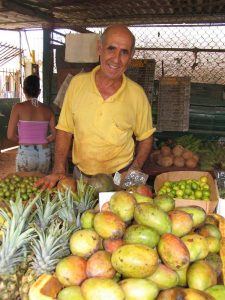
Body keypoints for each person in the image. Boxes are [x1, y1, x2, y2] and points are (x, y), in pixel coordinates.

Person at [36, 24, 155, 189]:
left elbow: (146, 137)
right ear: (99, 48)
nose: (116, 59)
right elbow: (65, 129)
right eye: (111, 49)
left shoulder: (137, 94)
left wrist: (135, 169)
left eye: (124, 52)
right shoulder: (77, 84)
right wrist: (59, 168)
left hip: (120, 178)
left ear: (131, 56)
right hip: (81, 177)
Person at [7, 75, 56, 174]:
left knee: (25, 185)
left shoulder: (18, 107)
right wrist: (43, 141)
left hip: (26, 153)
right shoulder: (48, 110)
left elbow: (10, 136)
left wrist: (24, 141)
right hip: (44, 153)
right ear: (39, 91)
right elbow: (55, 135)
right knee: (42, 186)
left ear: (24, 90)